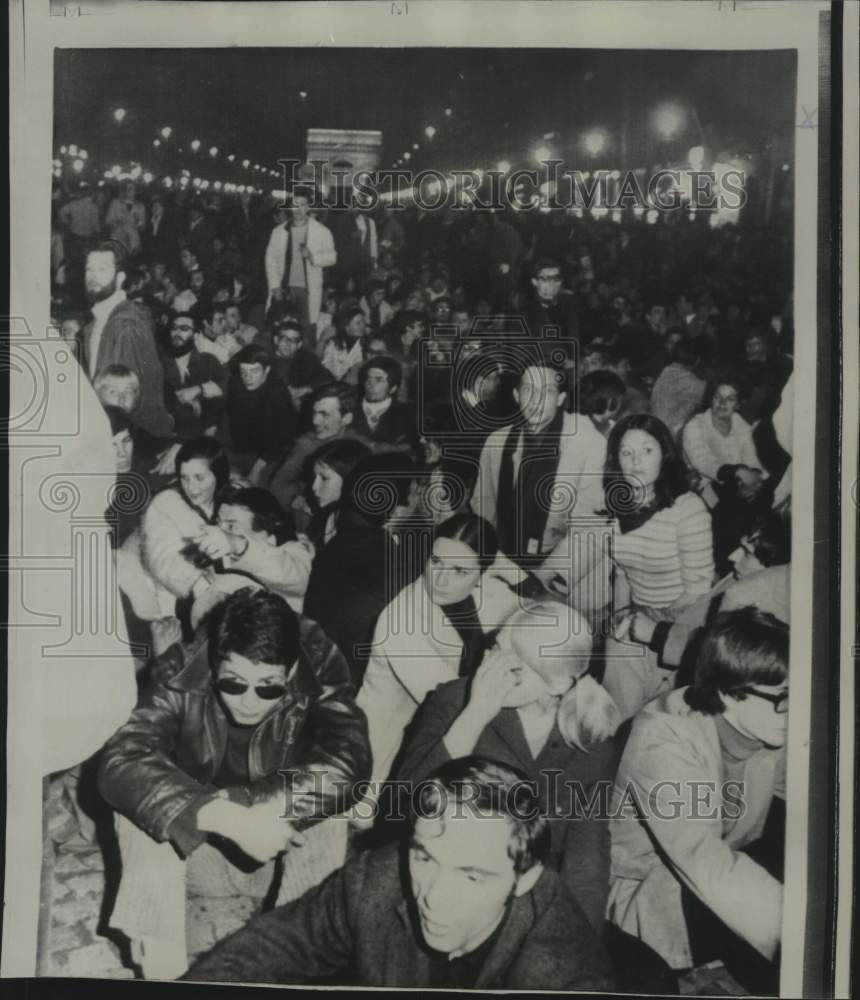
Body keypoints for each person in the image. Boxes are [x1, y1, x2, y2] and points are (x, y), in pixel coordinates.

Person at [98, 587, 371, 980]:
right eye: (233, 683)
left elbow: (351, 760)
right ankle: (162, 970)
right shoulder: (180, 669)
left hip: (279, 858)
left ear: (292, 672)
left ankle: (293, 961)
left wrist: (249, 805)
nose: (248, 700)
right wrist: (223, 816)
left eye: (269, 687)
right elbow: (120, 758)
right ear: (214, 663)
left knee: (328, 808)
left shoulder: (319, 659)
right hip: (198, 856)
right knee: (141, 807)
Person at [183, 757, 614, 990]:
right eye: (425, 857)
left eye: (472, 876)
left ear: (525, 880)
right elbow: (268, 948)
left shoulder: (561, 974)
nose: (433, 896)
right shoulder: (377, 878)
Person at [398, 601, 621, 933]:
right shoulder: (452, 701)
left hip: (526, 897)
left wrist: (581, 940)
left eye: (514, 666)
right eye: (496, 648)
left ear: (557, 685)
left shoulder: (589, 738)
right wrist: (474, 716)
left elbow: (586, 858)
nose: (491, 667)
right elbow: (403, 806)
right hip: (442, 880)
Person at [608, 608, 788, 994]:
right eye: (783, 698)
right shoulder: (662, 738)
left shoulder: (768, 719)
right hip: (656, 889)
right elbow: (704, 860)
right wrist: (806, 934)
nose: (798, 708)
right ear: (727, 692)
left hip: (722, 861)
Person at [356, 513, 521, 798]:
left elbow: (544, 609)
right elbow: (451, 705)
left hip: (435, 746)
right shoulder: (399, 621)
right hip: (385, 758)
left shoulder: (485, 593)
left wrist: (515, 574)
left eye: (460, 571)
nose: (440, 580)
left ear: (482, 575)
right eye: (435, 562)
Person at [599, 414, 715, 721]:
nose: (636, 460)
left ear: (665, 455)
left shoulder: (687, 510)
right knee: (613, 713)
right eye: (627, 452)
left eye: (646, 450)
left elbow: (698, 591)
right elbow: (623, 572)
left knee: (660, 721)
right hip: (637, 619)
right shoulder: (615, 508)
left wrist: (652, 622)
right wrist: (623, 614)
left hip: (681, 628)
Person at [471, 357, 607, 594]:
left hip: (562, 570)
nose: (536, 400)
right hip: (505, 564)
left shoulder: (588, 443)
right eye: (528, 390)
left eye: (548, 391)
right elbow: (484, 511)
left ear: (561, 399)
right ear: (516, 395)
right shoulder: (497, 441)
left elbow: (591, 526)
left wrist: (543, 577)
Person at [303, 451, 419, 686]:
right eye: (416, 493)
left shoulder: (341, 542)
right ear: (397, 508)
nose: (420, 500)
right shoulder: (390, 560)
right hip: (357, 681)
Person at [126, 437, 232, 653]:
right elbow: (167, 568)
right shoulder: (166, 504)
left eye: (199, 478)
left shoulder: (233, 498)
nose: (191, 487)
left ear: (218, 475)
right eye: (184, 478)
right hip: (172, 602)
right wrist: (206, 575)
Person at [81, 240, 174, 438]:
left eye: (102, 269)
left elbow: (123, 402)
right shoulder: (96, 324)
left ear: (121, 277)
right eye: (89, 269)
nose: (93, 276)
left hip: (128, 441)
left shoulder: (125, 325)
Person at [682, 374, 769, 572]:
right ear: (710, 398)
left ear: (739, 403)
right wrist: (738, 472)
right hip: (701, 487)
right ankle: (722, 565)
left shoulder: (741, 425)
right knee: (731, 511)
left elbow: (754, 461)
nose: (722, 403)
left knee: (757, 500)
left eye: (730, 399)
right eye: (717, 397)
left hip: (736, 485)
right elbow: (703, 462)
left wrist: (754, 484)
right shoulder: (695, 426)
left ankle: (746, 561)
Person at [189, 484, 314, 617]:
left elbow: (295, 578)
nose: (221, 531)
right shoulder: (221, 557)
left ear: (264, 532)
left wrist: (238, 544)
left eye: (231, 526)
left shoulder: (293, 553)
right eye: (218, 522)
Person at [267, 383, 371, 508]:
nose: (315, 421)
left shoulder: (361, 444)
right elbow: (278, 485)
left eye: (325, 414)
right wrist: (299, 499)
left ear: (346, 419)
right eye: (314, 413)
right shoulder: (307, 443)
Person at [265, 187, 337, 347]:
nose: (298, 209)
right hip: (285, 288)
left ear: (309, 207)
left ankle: (306, 364)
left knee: (307, 331)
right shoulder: (279, 231)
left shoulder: (322, 231)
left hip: (307, 290)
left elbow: (332, 257)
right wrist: (275, 285)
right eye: (295, 204)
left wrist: (313, 257)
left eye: (303, 205)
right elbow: (270, 259)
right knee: (281, 329)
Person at [225, 344, 297, 484]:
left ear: (267, 370)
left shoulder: (277, 393)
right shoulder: (235, 383)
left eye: (254, 371)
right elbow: (229, 420)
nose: (248, 377)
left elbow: (282, 439)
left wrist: (256, 469)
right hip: (241, 450)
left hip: (272, 454)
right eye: (243, 371)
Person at [160, 310, 227, 440]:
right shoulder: (159, 362)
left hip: (204, 433)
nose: (177, 333)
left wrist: (199, 389)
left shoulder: (208, 360)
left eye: (184, 329)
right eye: (174, 328)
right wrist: (186, 402)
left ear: (196, 336)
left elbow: (228, 384)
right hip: (170, 434)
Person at [300, 438, 372, 548]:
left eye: (324, 478)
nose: (314, 487)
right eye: (315, 477)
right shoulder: (328, 514)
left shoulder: (365, 531)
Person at [350, 356, 419, 454]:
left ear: (393, 388)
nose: (371, 384)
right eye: (368, 378)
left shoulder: (408, 414)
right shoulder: (350, 407)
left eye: (378, 380)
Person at [650, 336, 707, 440]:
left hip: (655, 429)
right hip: (672, 436)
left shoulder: (666, 371)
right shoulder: (695, 385)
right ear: (698, 359)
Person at [521, 257, 580, 345]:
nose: (552, 284)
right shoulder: (525, 311)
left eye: (556, 278)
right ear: (535, 282)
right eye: (546, 279)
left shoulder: (569, 306)